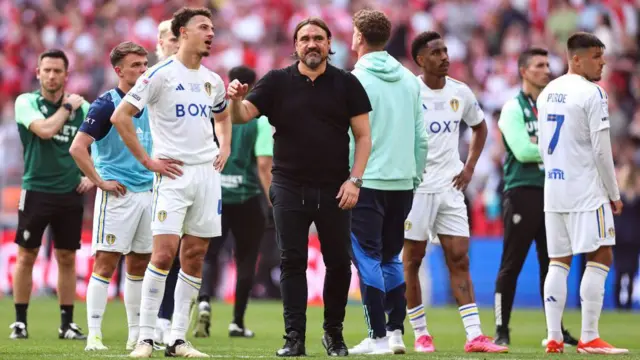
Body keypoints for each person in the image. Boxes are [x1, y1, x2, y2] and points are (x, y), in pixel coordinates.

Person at [227, 17, 372, 357]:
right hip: (289, 185)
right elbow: (240, 116)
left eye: (318, 38)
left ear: (328, 44)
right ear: (295, 46)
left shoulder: (346, 83)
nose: (311, 44)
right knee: (292, 261)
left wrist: (355, 180)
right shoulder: (277, 81)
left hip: (336, 188)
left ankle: (333, 336)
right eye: (305, 38)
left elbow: (364, 137)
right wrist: (235, 99)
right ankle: (294, 338)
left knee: (338, 263)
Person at [111, 7, 231, 358]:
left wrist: (224, 145)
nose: (211, 33)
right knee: (163, 253)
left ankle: (177, 338)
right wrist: (148, 161)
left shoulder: (212, 78)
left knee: (195, 255)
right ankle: (146, 337)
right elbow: (122, 116)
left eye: (212, 27)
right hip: (173, 175)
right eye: (203, 27)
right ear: (182, 33)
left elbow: (223, 115)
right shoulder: (159, 74)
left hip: (207, 175)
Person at [401, 31, 508, 354]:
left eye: (446, 51)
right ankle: (421, 333)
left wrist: (470, 166)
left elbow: (480, 126)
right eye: (436, 52)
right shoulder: (408, 92)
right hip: (417, 187)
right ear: (421, 59)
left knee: (459, 258)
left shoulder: (460, 92)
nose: (445, 57)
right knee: (412, 261)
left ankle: (474, 335)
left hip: (450, 186)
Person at [537, 32, 628, 354]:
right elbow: (602, 151)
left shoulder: (547, 91)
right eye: (596, 56)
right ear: (575, 58)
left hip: (555, 189)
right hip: (587, 190)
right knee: (602, 253)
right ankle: (589, 336)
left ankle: (553, 336)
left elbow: (542, 146)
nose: (603, 62)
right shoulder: (594, 93)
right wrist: (614, 193)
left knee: (558, 261)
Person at [345, 9, 428, 356]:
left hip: (365, 181)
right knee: (392, 258)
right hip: (403, 182)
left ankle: (377, 336)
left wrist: (349, 177)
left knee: (368, 259)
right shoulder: (410, 79)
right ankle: (395, 332)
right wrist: (414, 174)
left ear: (359, 38)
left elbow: (350, 138)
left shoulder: (353, 80)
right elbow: (421, 138)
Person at [68, 41, 152, 351]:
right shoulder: (105, 104)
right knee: (105, 263)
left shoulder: (151, 100)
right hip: (119, 194)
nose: (143, 70)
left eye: (145, 64)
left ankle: (134, 336)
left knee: (140, 265)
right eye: (135, 65)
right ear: (118, 70)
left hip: (149, 191)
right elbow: (77, 148)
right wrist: (100, 181)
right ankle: (94, 336)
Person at [493, 48, 578, 347]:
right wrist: (554, 144)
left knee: (552, 264)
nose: (547, 69)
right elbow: (522, 151)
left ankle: (556, 330)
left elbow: (552, 145)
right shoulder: (513, 108)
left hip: (553, 192)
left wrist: (539, 141)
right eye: (539, 65)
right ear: (524, 71)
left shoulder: (553, 107)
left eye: (548, 64)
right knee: (511, 264)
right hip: (523, 192)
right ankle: (501, 330)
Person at [11, 49, 93, 340]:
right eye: (46, 70)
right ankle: (20, 322)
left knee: (67, 257)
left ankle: (66, 324)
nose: (52, 75)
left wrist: (90, 175)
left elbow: (100, 146)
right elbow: (45, 130)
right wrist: (68, 108)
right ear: (37, 73)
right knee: (26, 255)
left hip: (70, 192)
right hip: (36, 190)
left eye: (57, 71)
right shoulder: (27, 102)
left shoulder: (84, 109)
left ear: (66, 75)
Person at [193, 65, 274, 339]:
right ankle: (237, 321)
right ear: (252, 87)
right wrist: (272, 199)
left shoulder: (214, 114)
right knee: (246, 258)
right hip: (248, 197)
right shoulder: (259, 120)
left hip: (215, 194)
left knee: (209, 254)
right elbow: (264, 163)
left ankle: (203, 299)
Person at [152, 18, 181, 348]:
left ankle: (165, 318)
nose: (176, 42)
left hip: (174, 177)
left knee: (173, 253)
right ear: (161, 41)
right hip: (145, 176)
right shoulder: (150, 77)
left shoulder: (193, 80)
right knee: (149, 254)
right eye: (172, 38)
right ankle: (143, 322)